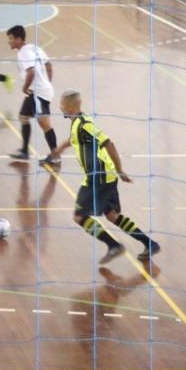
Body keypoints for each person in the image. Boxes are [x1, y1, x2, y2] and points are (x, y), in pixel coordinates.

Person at [46, 91, 160, 264]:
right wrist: (59, 149)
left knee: (79, 217)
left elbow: (109, 144)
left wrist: (120, 171)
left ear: (69, 106)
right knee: (112, 215)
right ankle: (150, 244)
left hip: (99, 177)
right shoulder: (79, 123)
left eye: (62, 104)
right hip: (101, 175)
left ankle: (114, 246)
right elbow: (74, 139)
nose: (60, 107)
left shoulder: (84, 125)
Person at [5, 24, 59, 167]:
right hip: (38, 91)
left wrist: (25, 87)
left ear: (18, 39)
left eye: (10, 38)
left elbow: (31, 72)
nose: (9, 41)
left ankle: (55, 156)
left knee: (45, 124)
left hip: (39, 93)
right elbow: (49, 66)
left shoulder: (23, 53)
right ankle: (24, 151)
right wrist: (48, 83)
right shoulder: (35, 48)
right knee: (23, 117)